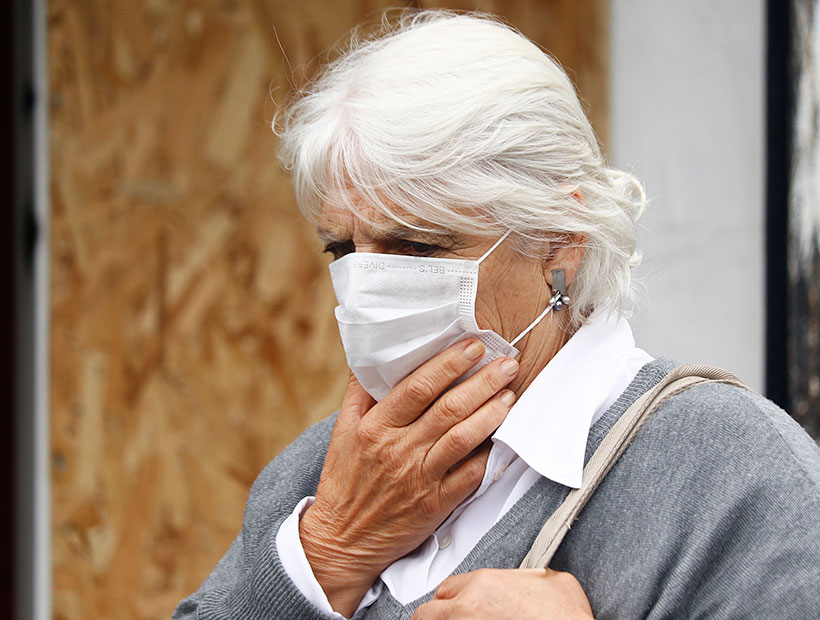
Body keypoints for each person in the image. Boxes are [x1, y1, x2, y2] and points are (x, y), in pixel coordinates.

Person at [173, 10, 820, 620]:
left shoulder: (736, 478)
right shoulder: (332, 470)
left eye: (418, 245)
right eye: (342, 249)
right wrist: (328, 553)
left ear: (559, 238)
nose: (366, 287)